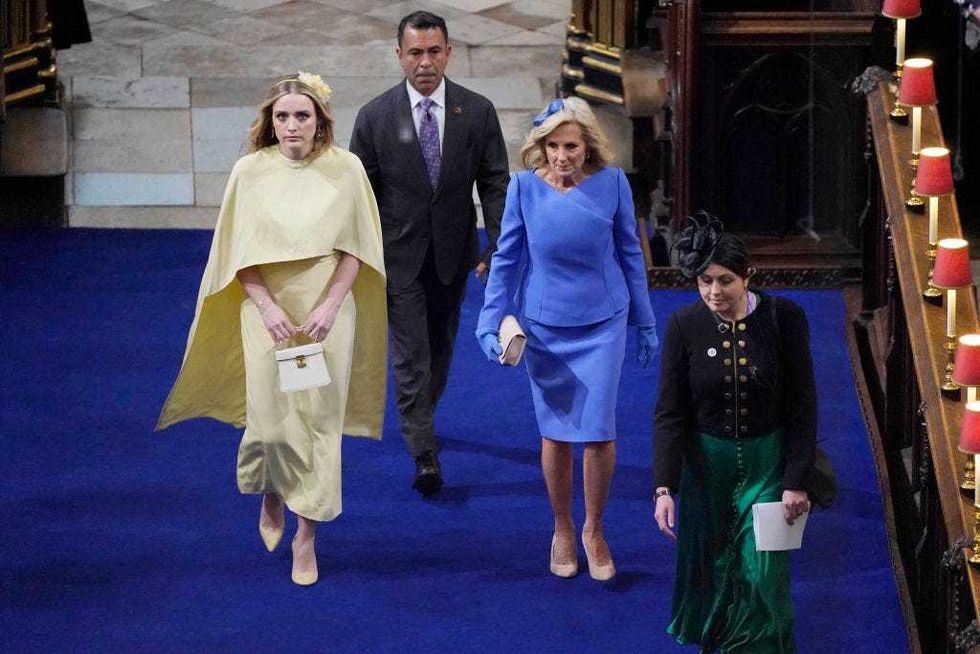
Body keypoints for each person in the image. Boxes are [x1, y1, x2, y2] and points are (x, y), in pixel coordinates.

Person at [157, 73, 387, 586]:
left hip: (326, 313)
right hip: (267, 311)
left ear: (320, 120)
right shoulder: (249, 172)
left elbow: (359, 248)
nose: (291, 125)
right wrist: (265, 307)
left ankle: (306, 536)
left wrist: (330, 306)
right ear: (269, 121)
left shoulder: (346, 169)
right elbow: (234, 253)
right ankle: (272, 488)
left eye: (302, 115)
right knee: (273, 422)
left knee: (318, 423)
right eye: (282, 116)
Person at [475, 97, 659, 581]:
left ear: (588, 146)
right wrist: (488, 320)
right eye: (552, 146)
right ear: (540, 147)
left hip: (603, 323)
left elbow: (631, 255)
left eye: (570, 146)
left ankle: (594, 529)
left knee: (598, 430)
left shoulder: (613, 184)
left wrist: (645, 320)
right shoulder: (521, 190)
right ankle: (561, 526)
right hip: (545, 327)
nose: (561, 156)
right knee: (555, 432)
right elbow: (506, 262)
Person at [349, 10, 509, 497]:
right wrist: (358, 256)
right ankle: (423, 452)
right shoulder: (375, 117)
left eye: (434, 51)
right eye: (415, 52)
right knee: (411, 354)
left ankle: (421, 416)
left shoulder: (477, 111)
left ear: (449, 53)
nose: (425, 62)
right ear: (399, 56)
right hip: (398, 257)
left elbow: (495, 183)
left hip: (453, 254)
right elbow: (359, 194)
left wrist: (497, 246)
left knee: (439, 346)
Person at [652, 214, 816, 651]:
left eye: (725, 280)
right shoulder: (683, 326)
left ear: (748, 276)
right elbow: (670, 414)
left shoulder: (785, 318)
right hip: (706, 472)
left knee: (762, 574)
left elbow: (803, 405)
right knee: (713, 575)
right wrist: (664, 488)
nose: (713, 292)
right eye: (705, 281)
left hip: (768, 467)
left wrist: (796, 480)